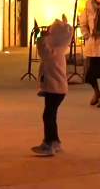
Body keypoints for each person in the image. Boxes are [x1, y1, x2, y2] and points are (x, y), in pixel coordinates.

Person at [32, 15, 73, 156]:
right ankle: (55, 141)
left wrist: (40, 38)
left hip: (54, 89)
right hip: (57, 89)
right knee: (51, 115)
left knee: (48, 116)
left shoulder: (54, 52)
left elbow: (43, 51)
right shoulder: (59, 50)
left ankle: (48, 143)